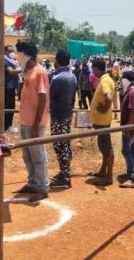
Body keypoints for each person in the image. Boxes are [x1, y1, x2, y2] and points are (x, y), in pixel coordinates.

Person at [14, 40, 50, 201]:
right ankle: (32, 182)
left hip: (35, 123)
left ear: (26, 54)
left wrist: (36, 124)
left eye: (18, 53)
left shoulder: (40, 72)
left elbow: (42, 98)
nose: (16, 56)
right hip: (25, 121)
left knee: (38, 155)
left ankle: (42, 187)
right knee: (27, 155)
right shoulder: (28, 71)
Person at [49, 50, 77, 189]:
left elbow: (50, 95)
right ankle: (64, 172)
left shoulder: (57, 78)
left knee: (59, 145)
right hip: (67, 114)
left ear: (57, 61)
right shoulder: (72, 77)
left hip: (58, 116)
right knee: (65, 143)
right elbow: (73, 98)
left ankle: (65, 177)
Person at [90, 59, 115, 186]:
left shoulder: (105, 81)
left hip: (103, 121)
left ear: (97, 69)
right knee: (103, 146)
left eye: (93, 69)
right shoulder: (106, 79)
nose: (92, 71)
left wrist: (104, 109)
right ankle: (102, 171)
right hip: (101, 121)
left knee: (106, 148)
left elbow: (109, 97)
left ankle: (109, 177)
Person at [120, 71, 134, 188]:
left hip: (130, 127)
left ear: (126, 79)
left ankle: (131, 177)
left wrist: (127, 128)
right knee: (131, 149)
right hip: (131, 127)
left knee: (125, 150)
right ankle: (132, 171)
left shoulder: (132, 92)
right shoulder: (133, 90)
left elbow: (132, 111)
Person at [4, 45, 21, 132]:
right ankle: (8, 126)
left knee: (9, 105)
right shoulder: (5, 60)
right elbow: (11, 71)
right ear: (5, 52)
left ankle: (6, 125)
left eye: (13, 51)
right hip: (8, 86)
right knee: (9, 106)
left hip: (11, 86)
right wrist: (23, 69)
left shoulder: (13, 60)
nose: (12, 53)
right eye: (10, 51)